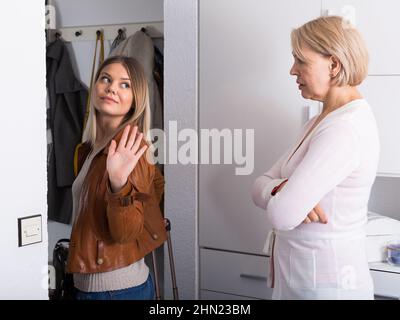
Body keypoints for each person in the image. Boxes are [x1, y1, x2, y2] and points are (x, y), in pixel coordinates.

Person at [251, 16, 380, 300]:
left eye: (300, 60)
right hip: (301, 281)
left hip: (328, 286)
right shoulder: (321, 120)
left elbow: (282, 214)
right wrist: (279, 187)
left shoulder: (344, 129)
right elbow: (259, 185)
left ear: (334, 65)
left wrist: (279, 193)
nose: (292, 70)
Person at [66, 56, 167, 300]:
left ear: (136, 100)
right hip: (88, 284)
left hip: (117, 290)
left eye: (125, 84)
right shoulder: (89, 149)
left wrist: (119, 184)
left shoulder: (131, 150)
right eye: (106, 79)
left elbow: (126, 233)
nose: (112, 87)